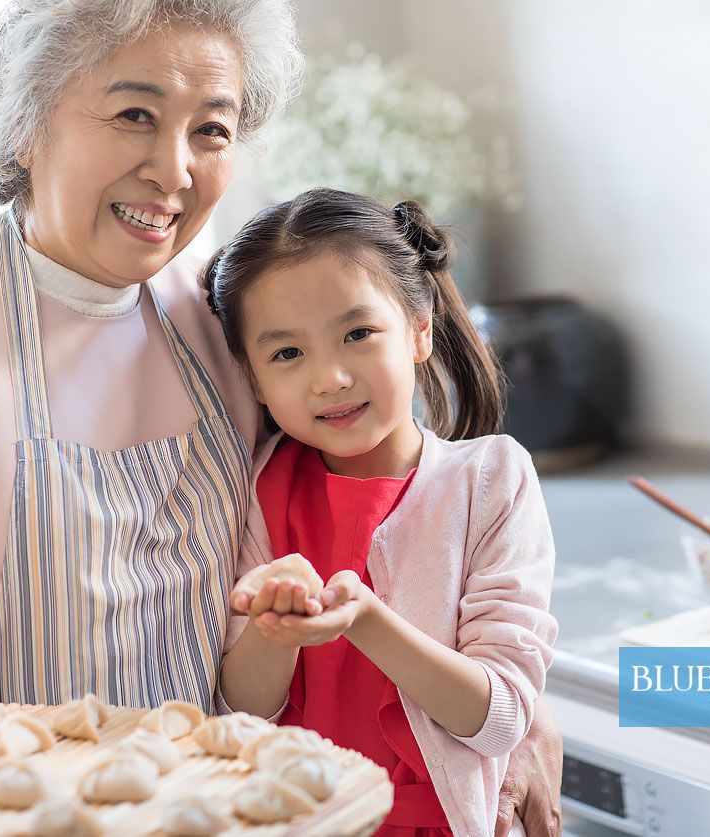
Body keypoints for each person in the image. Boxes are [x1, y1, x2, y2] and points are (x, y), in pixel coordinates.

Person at [0, 2, 562, 831]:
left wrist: (511, 715)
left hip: (242, 806)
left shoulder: (215, 319)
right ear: (25, 126)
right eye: (134, 115)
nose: (174, 168)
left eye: (211, 130)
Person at [205, 188, 558, 836]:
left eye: (357, 333)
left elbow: (501, 715)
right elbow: (243, 706)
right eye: (287, 352)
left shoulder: (489, 479)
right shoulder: (260, 486)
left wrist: (366, 618)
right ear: (253, 378)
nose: (330, 377)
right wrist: (271, 629)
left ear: (419, 328)